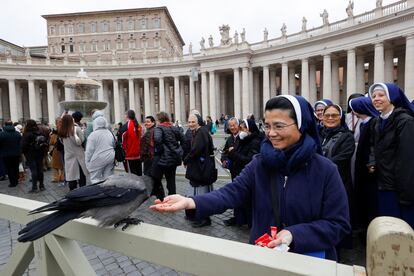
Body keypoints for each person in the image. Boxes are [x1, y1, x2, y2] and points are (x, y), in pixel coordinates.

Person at [151, 95, 350, 261]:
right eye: (268, 125)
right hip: (264, 257)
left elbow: (338, 224)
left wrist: (294, 234)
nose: (271, 133)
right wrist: (190, 201)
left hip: (309, 261)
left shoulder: (326, 170)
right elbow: (230, 193)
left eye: (279, 126)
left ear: (301, 125)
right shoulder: (260, 163)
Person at [368, 82, 414, 228]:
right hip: (383, 184)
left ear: (392, 97)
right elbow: (374, 147)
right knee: (388, 227)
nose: (376, 98)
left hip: (399, 189)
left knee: (402, 230)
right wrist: (372, 161)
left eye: (381, 95)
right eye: (373, 96)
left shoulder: (405, 121)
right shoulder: (377, 121)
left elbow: (407, 159)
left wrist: (405, 194)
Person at [223, 119, 264, 227]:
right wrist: (225, 158)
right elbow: (225, 152)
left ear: (249, 129)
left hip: (246, 175)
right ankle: (239, 219)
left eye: (242, 128)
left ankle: (250, 222)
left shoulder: (253, 141)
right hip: (236, 172)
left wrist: (232, 153)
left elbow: (247, 160)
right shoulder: (243, 139)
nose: (240, 130)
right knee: (238, 196)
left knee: (247, 200)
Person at [349, 96, 379, 239]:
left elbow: (373, 145)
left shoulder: (373, 123)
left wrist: (371, 163)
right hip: (362, 166)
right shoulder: (365, 123)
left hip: (368, 169)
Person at [183, 113, 216, 228]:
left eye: (193, 122)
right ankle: (196, 215)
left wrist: (186, 160)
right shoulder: (199, 132)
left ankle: (204, 218)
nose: (191, 124)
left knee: (201, 193)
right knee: (198, 192)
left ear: (198, 122)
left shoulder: (201, 132)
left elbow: (195, 150)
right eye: (189, 122)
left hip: (201, 169)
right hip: (199, 168)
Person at [152, 112, 185, 198]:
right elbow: (184, 139)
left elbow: (157, 139)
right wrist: (179, 150)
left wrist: (160, 150)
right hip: (173, 158)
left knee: (157, 178)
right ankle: (172, 197)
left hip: (162, 159)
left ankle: (160, 198)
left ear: (159, 120)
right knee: (171, 180)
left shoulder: (158, 128)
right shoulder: (173, 127)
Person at [58, 114, 88, 191]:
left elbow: (62, 142)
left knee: (71, 175)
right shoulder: (76, 129)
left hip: (68, 155)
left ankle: (72, 191)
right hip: (78, 155)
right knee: (81, 175)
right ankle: (82, 191)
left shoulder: (62, 130)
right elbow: (82, 140)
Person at [85, 116, 115, 184]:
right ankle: (109, 191)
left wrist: (87, 163)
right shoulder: (109, 133)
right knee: (108, 177)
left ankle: (98, 192)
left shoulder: (93, 135)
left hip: (98, 158)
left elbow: (89, 151)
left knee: (95, 178)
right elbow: (113, 144)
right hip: (110, 157)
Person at [21, 119, 48, 192]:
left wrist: (24, 152)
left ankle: (34, 187)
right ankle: (42, 186)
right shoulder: (39, 132)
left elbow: (23, 145)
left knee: (34, 170)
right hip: (40, 153)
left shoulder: (27, 134)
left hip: (30, 154)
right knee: (40, 169)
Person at [119, 110, 143, 176]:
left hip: (129, 154)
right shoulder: (139, 125)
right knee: (139, 173)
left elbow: (121, 140)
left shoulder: (126, 126)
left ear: (127, 116)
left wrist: (123, 149)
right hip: (138, 154)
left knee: (132, 175)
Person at [0, 121, 21, 187]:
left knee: (9, 168)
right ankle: (16, 179)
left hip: (6, 154)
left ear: (5, 125)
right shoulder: (17, 133)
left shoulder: (2, 134)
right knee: (16, 166)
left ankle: (12, 182)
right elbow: (20, 143)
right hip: (16, 153)